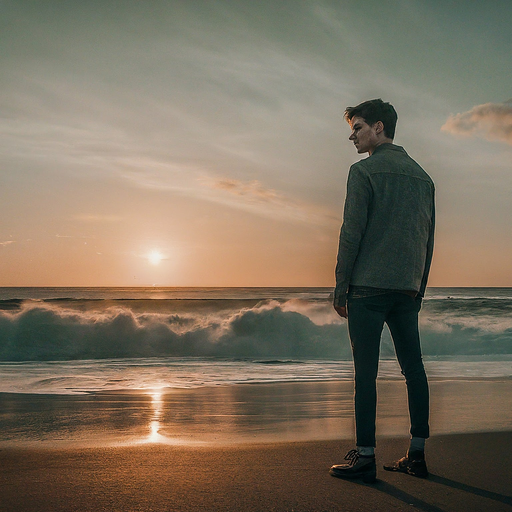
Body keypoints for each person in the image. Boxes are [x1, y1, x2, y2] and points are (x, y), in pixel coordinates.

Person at [329, 99, 435, 483]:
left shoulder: (364, 171)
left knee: (366, 375)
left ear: (378, 127)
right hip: (407, 289)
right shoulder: (424, 177)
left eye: (357, 128)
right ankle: (417, 455)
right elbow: (428, 238)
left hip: (368, 290)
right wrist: (418, 289)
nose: (352, 135)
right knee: (414, 371)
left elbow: (351, 232)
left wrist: (341, 286)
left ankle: (366, 457)